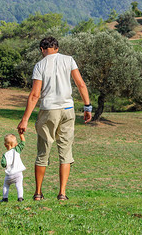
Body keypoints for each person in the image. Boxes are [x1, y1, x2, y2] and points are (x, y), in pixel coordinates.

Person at [17, 36, 92, 201]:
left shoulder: (40, 65)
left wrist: (25, 119)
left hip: (49, 110)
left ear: (42, 49)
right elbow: (81, 84)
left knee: (43, 152)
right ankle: (62, 193)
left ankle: (38, 193)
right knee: (65, 152)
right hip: (68, 110)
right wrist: (87, 107)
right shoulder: (69, 60)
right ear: (56, 48)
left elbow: (35, 94)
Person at [1, 133, 26, 202]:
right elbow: (23, 142)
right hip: (18, 173)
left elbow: (3, 164)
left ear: (5, 145)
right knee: (19, 185)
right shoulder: (17, 150)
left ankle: (5, 198)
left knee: (6, 185)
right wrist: (21, 134)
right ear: (16, 144)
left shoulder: (5, 155)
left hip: (9, 174)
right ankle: (20, 197)